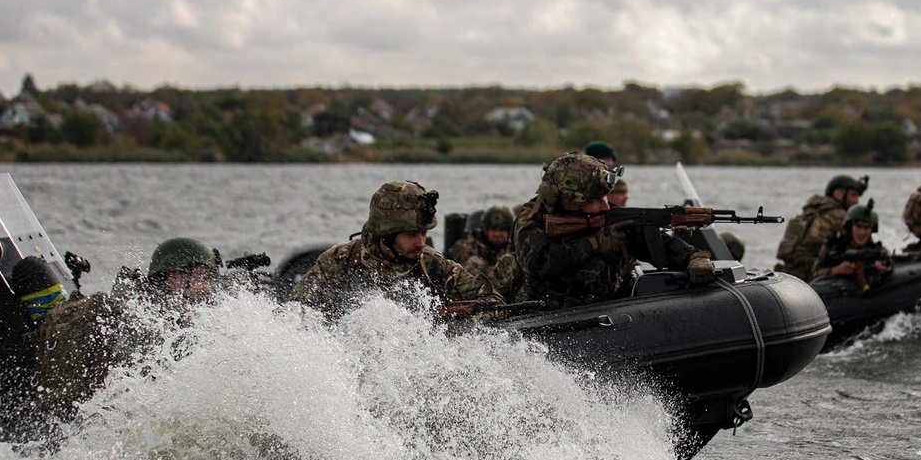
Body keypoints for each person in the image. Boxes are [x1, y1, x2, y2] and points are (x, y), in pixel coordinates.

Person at [33, 237, 220, 421]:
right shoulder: (146, 318)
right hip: (93, 417)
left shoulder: (151, 305)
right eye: (202, 277)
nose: (208, 286)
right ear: (176, 277)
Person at [512, 152, 715, 310]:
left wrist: (694, 257)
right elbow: (539, 264)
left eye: (605, 198)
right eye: (595, 201)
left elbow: (652, 241)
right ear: (568, 202)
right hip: (551, 316)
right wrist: (595, 243)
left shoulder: (605, 217)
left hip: (609, 312)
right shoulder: (533, 220)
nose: (606, 206)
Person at [290, 180, 497, 319]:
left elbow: (494, 304)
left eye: (424, 233)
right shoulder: (340, 260)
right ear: (386, 235)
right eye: (411, 235)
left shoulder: (432, 264)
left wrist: (448, 315)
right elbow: (297, 311)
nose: (421, 242)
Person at [775, 174, 869, 281]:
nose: (857, 201)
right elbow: (860, 243)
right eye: (853, 195)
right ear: (838, 194)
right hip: (813, 275)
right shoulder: (839, 216)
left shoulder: (810, 212)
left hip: (790, 273)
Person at [812, 201, 893, 290]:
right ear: (850, 227)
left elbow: (891, 263)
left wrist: (885, 268)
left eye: (866, 228)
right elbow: (814, 274)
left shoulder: (876, 250)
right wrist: (835, 270)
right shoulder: (834, 247)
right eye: (858, 227)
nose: (862, 232)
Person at [447, 205, 515, 286]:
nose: (497, 234)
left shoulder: (514, 249)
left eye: (502, 230)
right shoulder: (466, 247)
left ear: (509, 232)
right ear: (485, 230)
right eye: (493, 229)